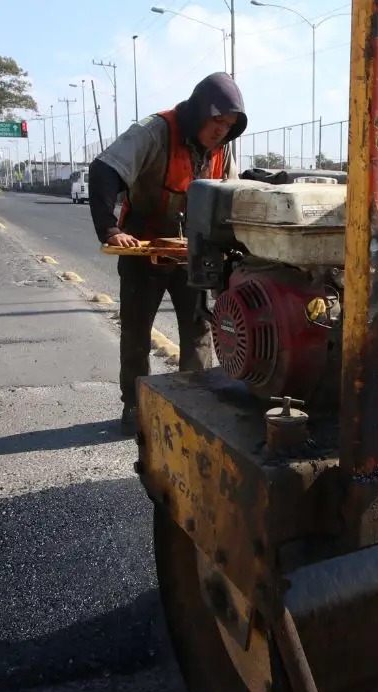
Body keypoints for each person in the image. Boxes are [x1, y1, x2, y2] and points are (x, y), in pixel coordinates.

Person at [88, 72, 248, 435]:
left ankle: (192, 403)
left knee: (197, 332)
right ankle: (134, 402)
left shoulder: (222, 149)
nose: (221, 131)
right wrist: (111, 230)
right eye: (217, 121)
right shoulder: (154, 132)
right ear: (198, 114)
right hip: (143, 249)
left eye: (229, 125)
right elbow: (104, 170)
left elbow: (233, 197)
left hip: (189, 253)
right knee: (136, 332)